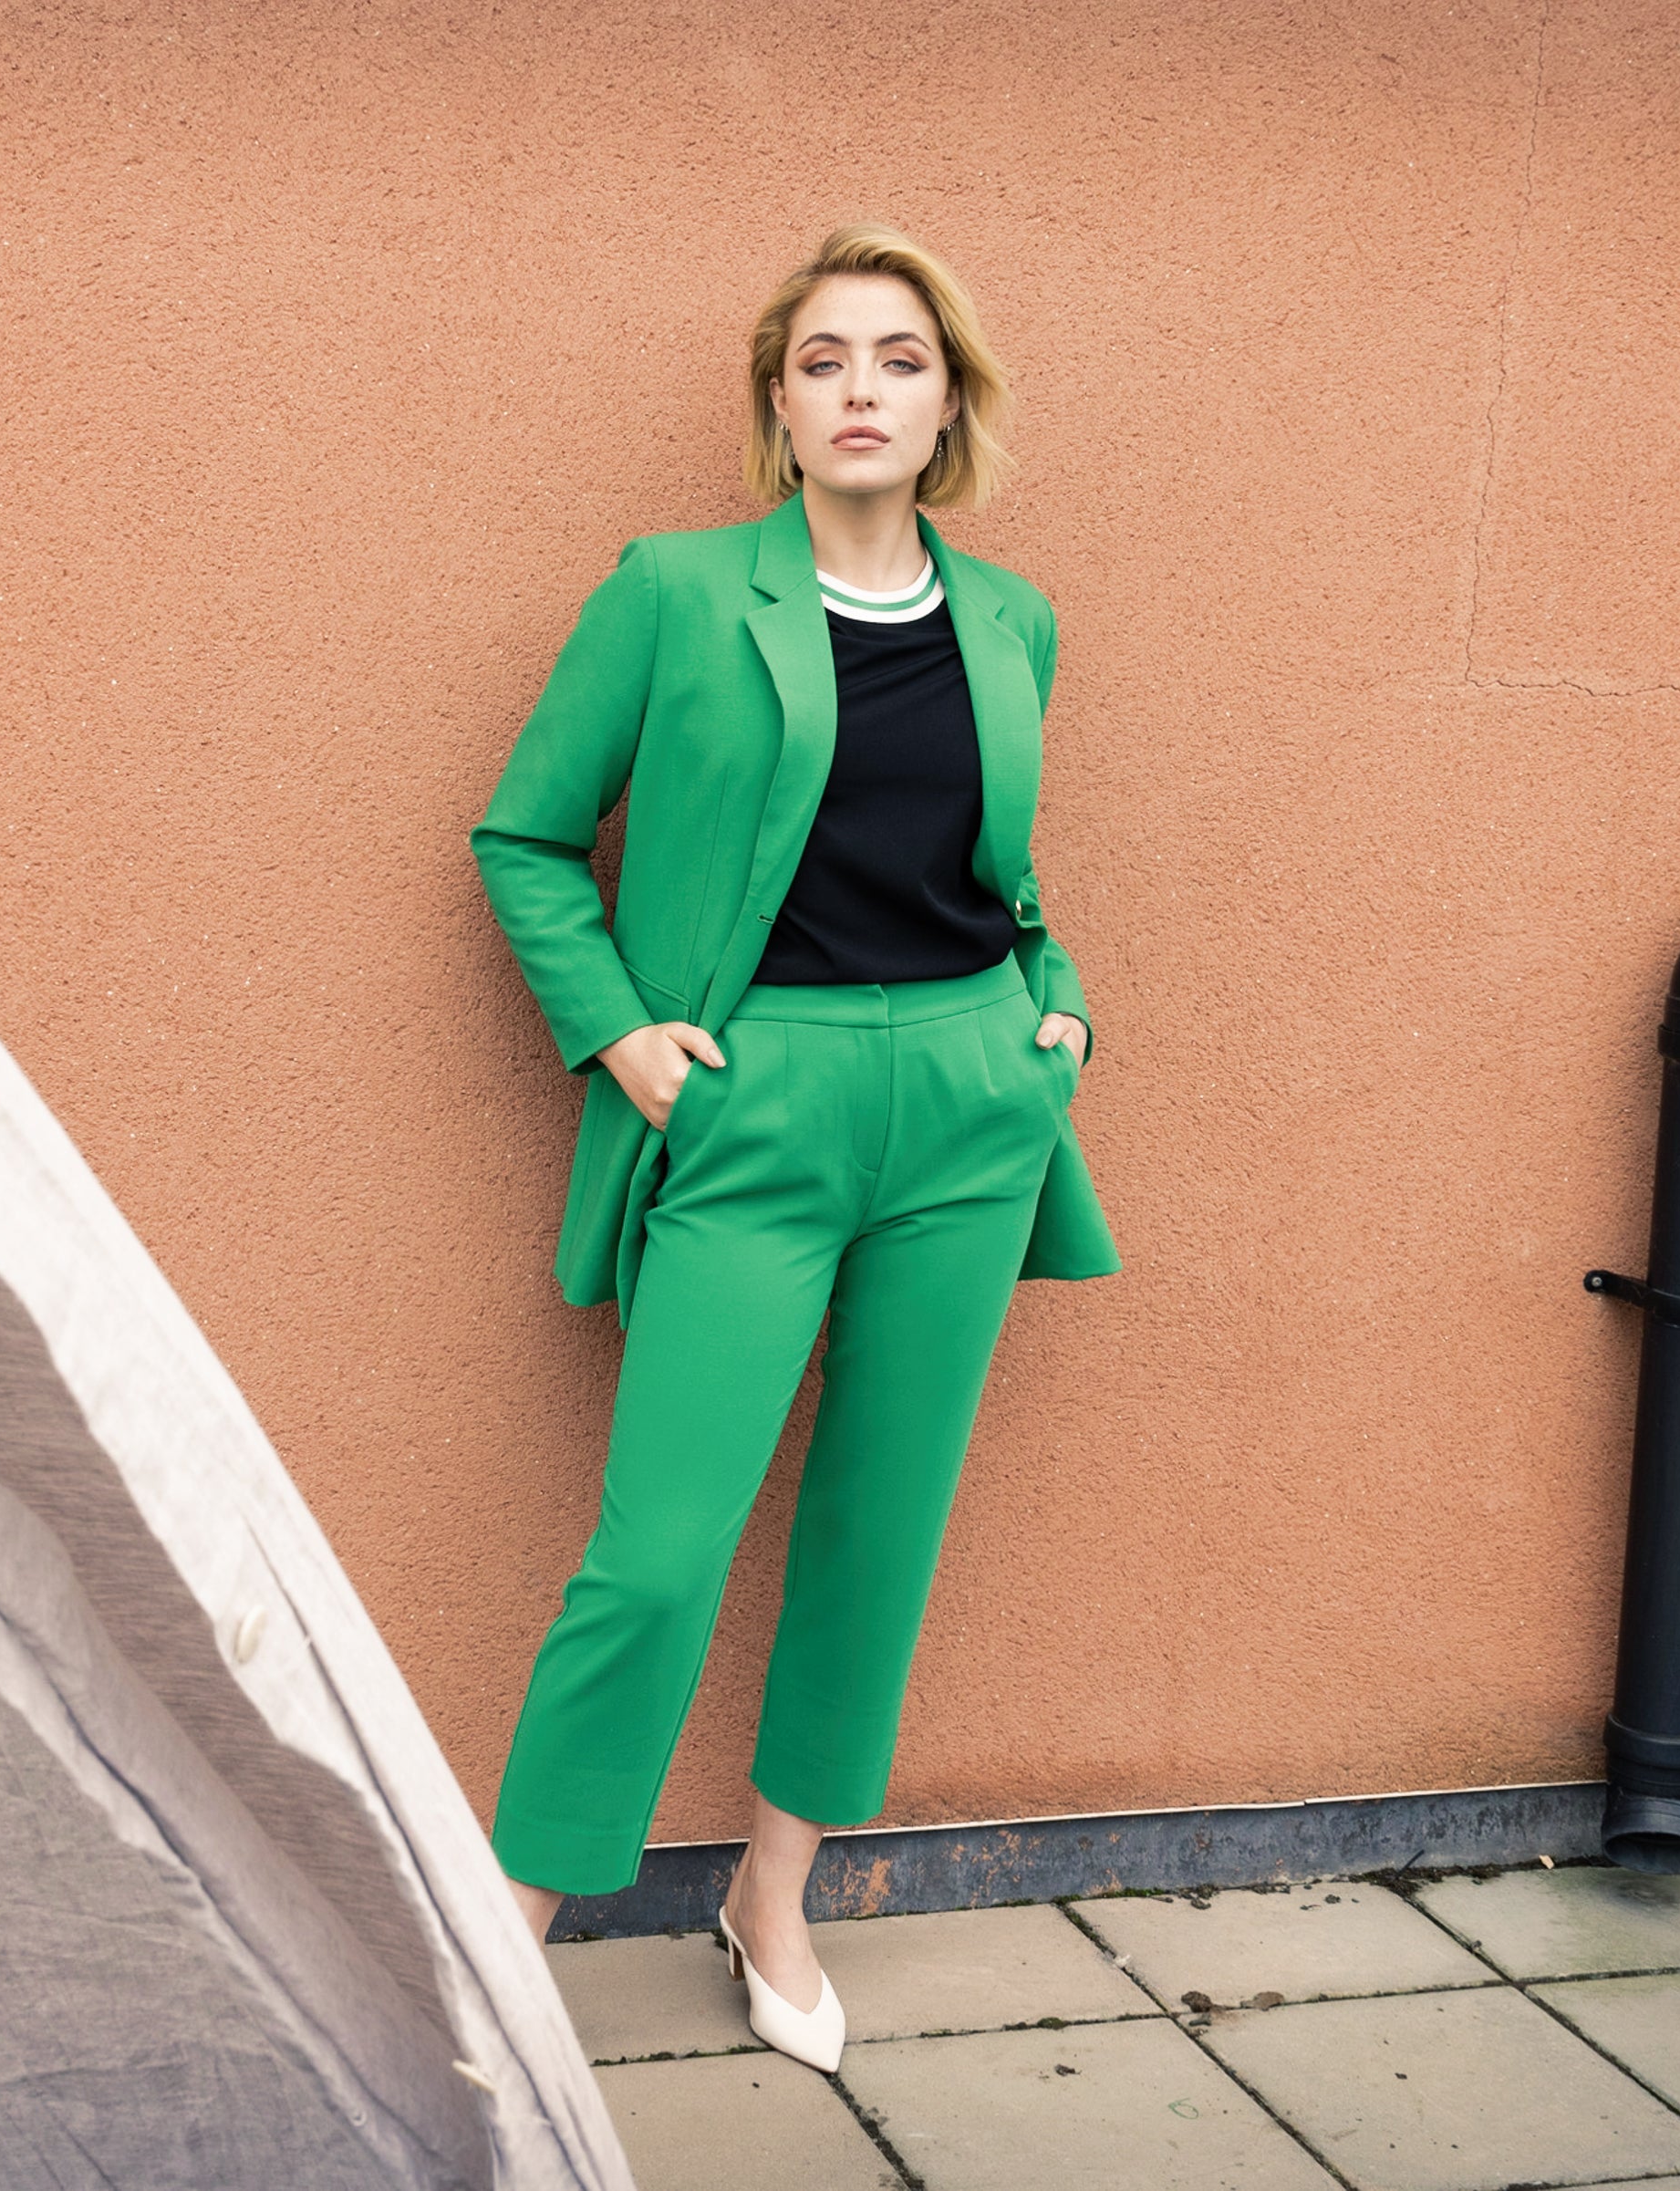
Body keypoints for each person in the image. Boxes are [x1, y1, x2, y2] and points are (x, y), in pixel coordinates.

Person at [468, 223, 1123, 2072]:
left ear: (949, 403)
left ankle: (773, 1894)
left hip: (973, 1106)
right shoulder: (676, 592)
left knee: (878, 1528)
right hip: (757, 1102)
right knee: (659, 1548)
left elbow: (997, 879)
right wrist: (624, 1035)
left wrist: (1058, 1011)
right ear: (778, 399)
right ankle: (505, 1938)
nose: (861, 392)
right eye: (825, 360)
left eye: (900, 361)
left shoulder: (1012, 621)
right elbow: (524, 836)